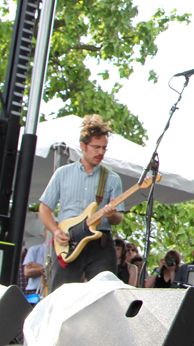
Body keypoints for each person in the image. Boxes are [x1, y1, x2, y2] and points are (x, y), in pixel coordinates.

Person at [38, 115, 124, 291]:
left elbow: (118, 218)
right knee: (62, 294)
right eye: (96, 147)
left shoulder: (112, 179)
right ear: (83, 146)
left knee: (104, 294)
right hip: (68, 241)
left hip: (99, 242)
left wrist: (111, 214)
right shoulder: (62, 173)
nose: (101, 152)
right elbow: (44, 208)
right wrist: (55, 231)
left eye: (104, 148)